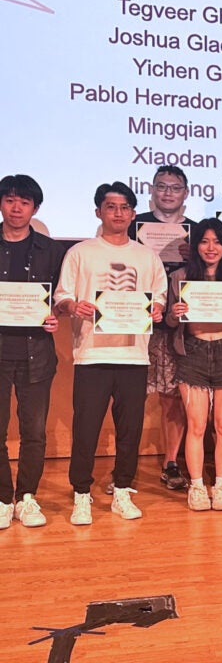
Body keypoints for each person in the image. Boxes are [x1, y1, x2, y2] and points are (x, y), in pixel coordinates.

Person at [54, 182, 167, 525]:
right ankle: (82, 494)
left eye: (124, 208)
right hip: (92, 354)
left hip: (133, 354)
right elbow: (60, 298)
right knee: (86, 427)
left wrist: (157, 309)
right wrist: (75, 304)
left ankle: (122, 490)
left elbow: (159, 296)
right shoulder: (80, 252)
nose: (118, 213)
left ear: (133, 214)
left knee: (129, 429)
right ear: (98, 212)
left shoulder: (147, 256)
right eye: (110, 207)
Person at [165, 218, 222, 512]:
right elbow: (169, 321)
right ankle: (198, 485)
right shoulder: (180, 277)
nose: (210, 248)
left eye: (217, 242)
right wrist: (175, 313)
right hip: (193, 352)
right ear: (195, 245)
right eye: (204, 241)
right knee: (197, 425)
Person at [0, 175, 65, 529]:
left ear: (35, 208)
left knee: (34, 432)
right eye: (9, 200)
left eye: (24, 202)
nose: (16, 208)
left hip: (36, 353)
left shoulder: (51, 251)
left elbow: (62, 299)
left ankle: (26, 498)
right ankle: (0, 498)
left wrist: (56, 315)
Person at [130, 165, 196, 493]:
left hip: (178, 326)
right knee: (128, 394)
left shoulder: (197, 232)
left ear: (186, 193)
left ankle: (171, 462)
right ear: (152, 190)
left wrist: (193, 257)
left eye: (175, 187)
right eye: (162, 186)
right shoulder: (133, 224)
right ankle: (123, 465)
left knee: (172, 396)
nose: (168, 192)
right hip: (133, 321)